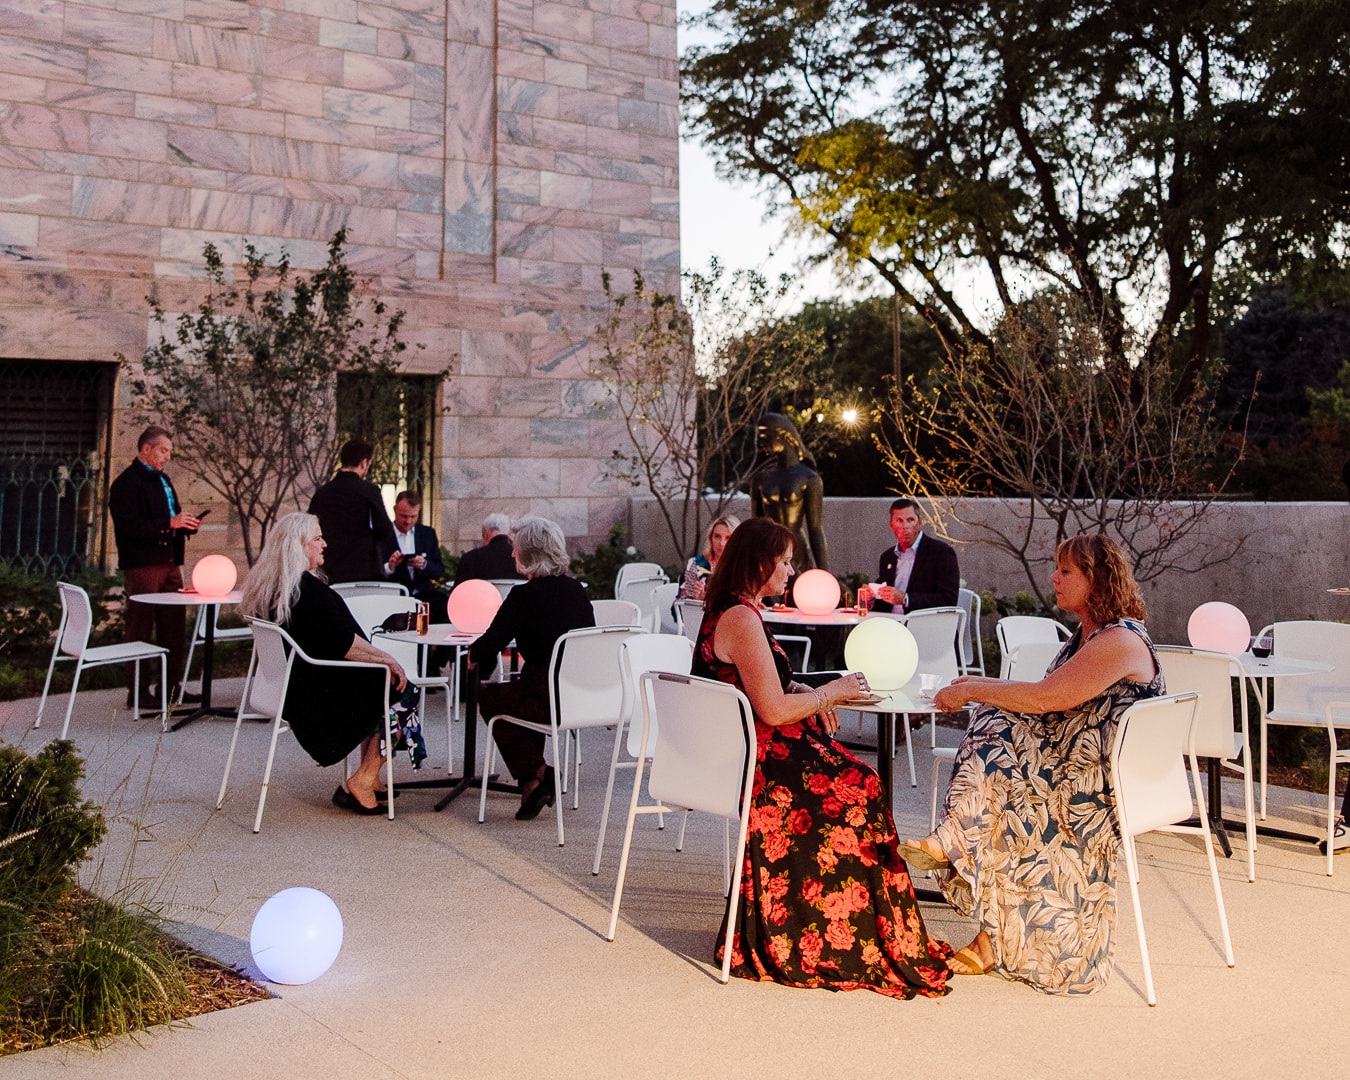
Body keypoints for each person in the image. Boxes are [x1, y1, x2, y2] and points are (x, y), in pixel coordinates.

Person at [691, 516, 953, 998]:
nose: (792, 572)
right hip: (755, 760)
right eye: (786, 561)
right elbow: (769, 708)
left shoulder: (735, 610)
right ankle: (840, 935)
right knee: (861, 787)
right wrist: (829, 694)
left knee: (860, 778)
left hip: (751, 745)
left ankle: (841, 925)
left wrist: (806, 692)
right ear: (761, 563)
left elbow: (760, 687)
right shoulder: (740, 619)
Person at [900, 533, 1163, 993]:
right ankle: (983, 918)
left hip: (1099, 784)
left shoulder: (1119, 639)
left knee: (997, 733)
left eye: (1065, 571)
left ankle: (956, 843)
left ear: (1096, 579)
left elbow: (1047, 698)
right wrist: (980, 691)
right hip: (1068, 767)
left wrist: (973, 688)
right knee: (998, 739)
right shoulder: (1090, 634)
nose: (1053, 578)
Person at [240, 512, 413, 815]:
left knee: (383, 679)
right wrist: (389, 661)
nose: (325, 544)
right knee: (401, 689)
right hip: (317, 694)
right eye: (317, 538)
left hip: (289, 686)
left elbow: (337, 639)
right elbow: (344, 644)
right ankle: (364, 778)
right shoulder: (306, 592)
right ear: (298, 546)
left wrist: (382, 660)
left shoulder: (279, 587)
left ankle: (369, 778)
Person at [468, 517, 595, 821]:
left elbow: (490, 643)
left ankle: (539, 772)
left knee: (489, 697)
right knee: (520, 693)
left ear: (529, 554)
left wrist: (472, 654)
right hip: (581, 695)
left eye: (515, 549)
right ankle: (531, 785)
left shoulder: (523, 596)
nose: (511, 554)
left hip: (544, 696)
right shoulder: (576, 590)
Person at [108, 426, 202, 706]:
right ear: (146, 448)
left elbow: (168, 517)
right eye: (163, 450)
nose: (167, 457)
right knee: (141, 627)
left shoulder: (163, 479)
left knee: (173, 626)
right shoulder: (126, 483)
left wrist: (184, 525)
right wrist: (168, 524)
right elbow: (128, 527)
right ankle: (138, 692)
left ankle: (170, 688)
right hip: (144, 565)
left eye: (169, 452)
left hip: (170, 562)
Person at [748, 413, 828, 573]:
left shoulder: (809, 478)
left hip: (797, 552)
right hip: (768, 552)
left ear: (782, 434)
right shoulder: (761, 479)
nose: (761, 443)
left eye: (765, 436)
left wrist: (825, 572)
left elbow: (815, 528)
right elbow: (755, 527)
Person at [307, 438, 393, 584]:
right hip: (363, 570)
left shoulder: (322, 493)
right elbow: (384, 530)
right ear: (364, 462)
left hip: (329, 570)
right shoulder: (369, 490)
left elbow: (310, 529)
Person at [866, 498, 960, 614]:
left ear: (919, 523)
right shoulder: (887, 557)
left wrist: (906, 599)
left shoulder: (941, 553)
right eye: (899, 521)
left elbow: (948, 600)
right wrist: (871, 598)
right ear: (891, 525)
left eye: (910, 520)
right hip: (891, 625)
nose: (905, 526)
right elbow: (884, 605)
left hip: (926, 626)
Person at [378, 490, 447, 621]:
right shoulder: (383, 535)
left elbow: (438, 570)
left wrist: (424, 564)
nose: (408, 521)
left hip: (423, 596)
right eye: (404, 516)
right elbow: (373, 572)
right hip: (395, 596)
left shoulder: (427, 534)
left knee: (443, 604)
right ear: (395, 510)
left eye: (413, 516)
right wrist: (390, 567)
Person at [678, 514, 740, 600]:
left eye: (728, 538)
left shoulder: (743, 568)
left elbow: (754, 604)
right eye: (717, 536)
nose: (721, 543)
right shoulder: (696, 565)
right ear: (711, 538)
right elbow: (680, 605)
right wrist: (697, 600)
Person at [453, 512, 519, 587]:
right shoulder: (522, 557)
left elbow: (459, 591)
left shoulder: (471, 558)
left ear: (485, 534)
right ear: (509, 533)